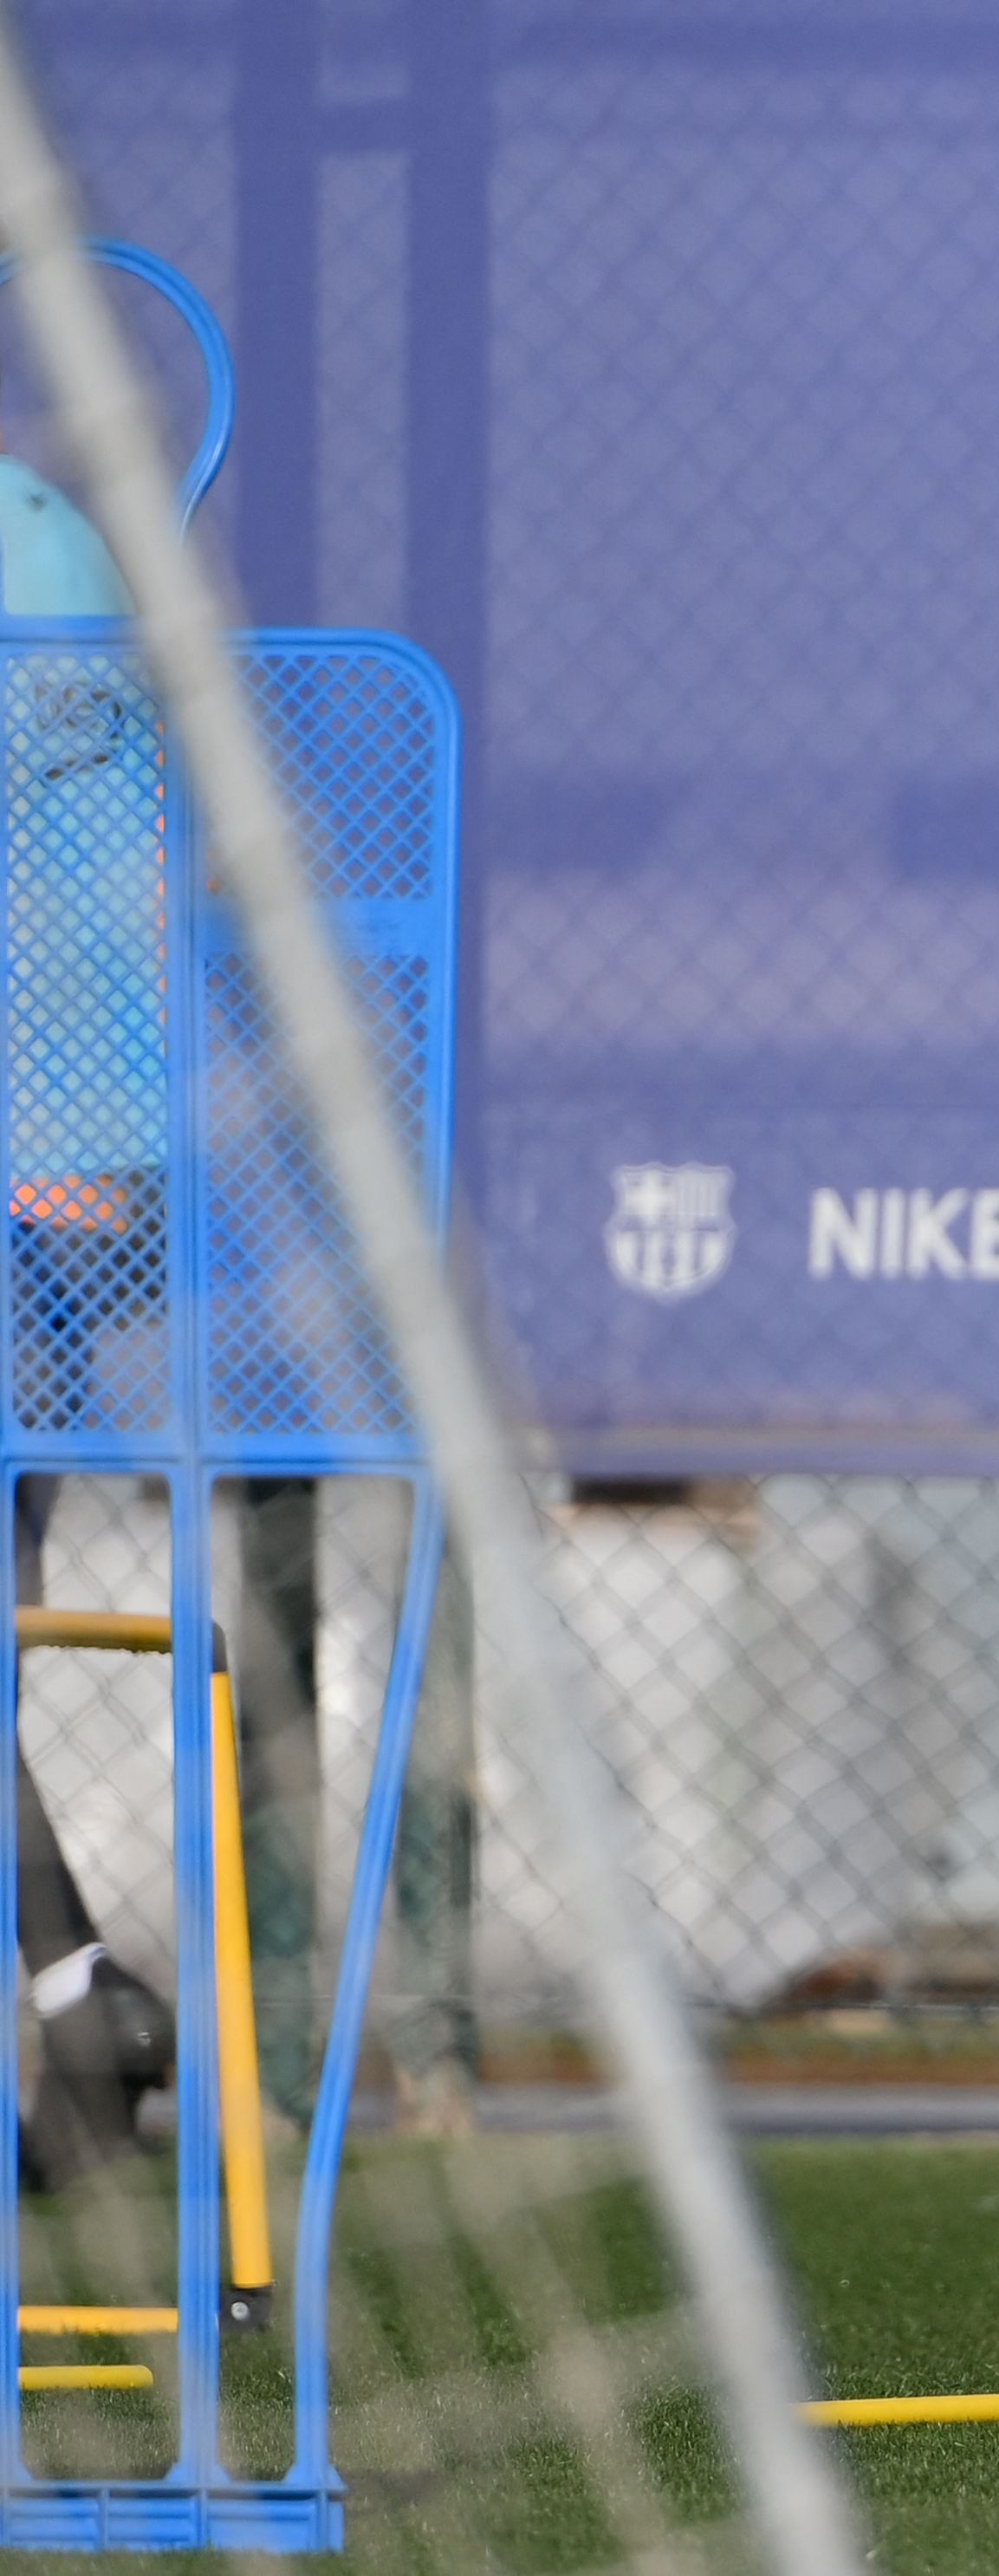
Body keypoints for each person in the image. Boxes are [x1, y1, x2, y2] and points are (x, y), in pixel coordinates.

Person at [0, 433, 180, 2186]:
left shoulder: (32, 548)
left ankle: (78, 1998)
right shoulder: (49, 538)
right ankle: (79, 1998)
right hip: (68, 1170)